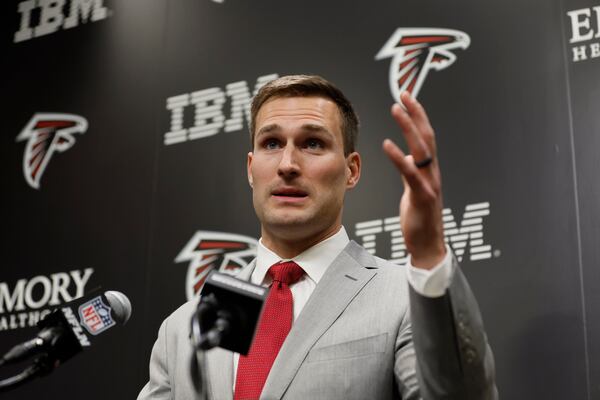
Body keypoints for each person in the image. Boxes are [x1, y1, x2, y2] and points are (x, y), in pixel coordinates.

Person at [138, 75, 498, 399]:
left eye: (312, 143)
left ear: (351, 170)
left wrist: (429, 252)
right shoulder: (182, 327)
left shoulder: (406, 297)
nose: (287, 164)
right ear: (251, 169)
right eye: (272, 143)